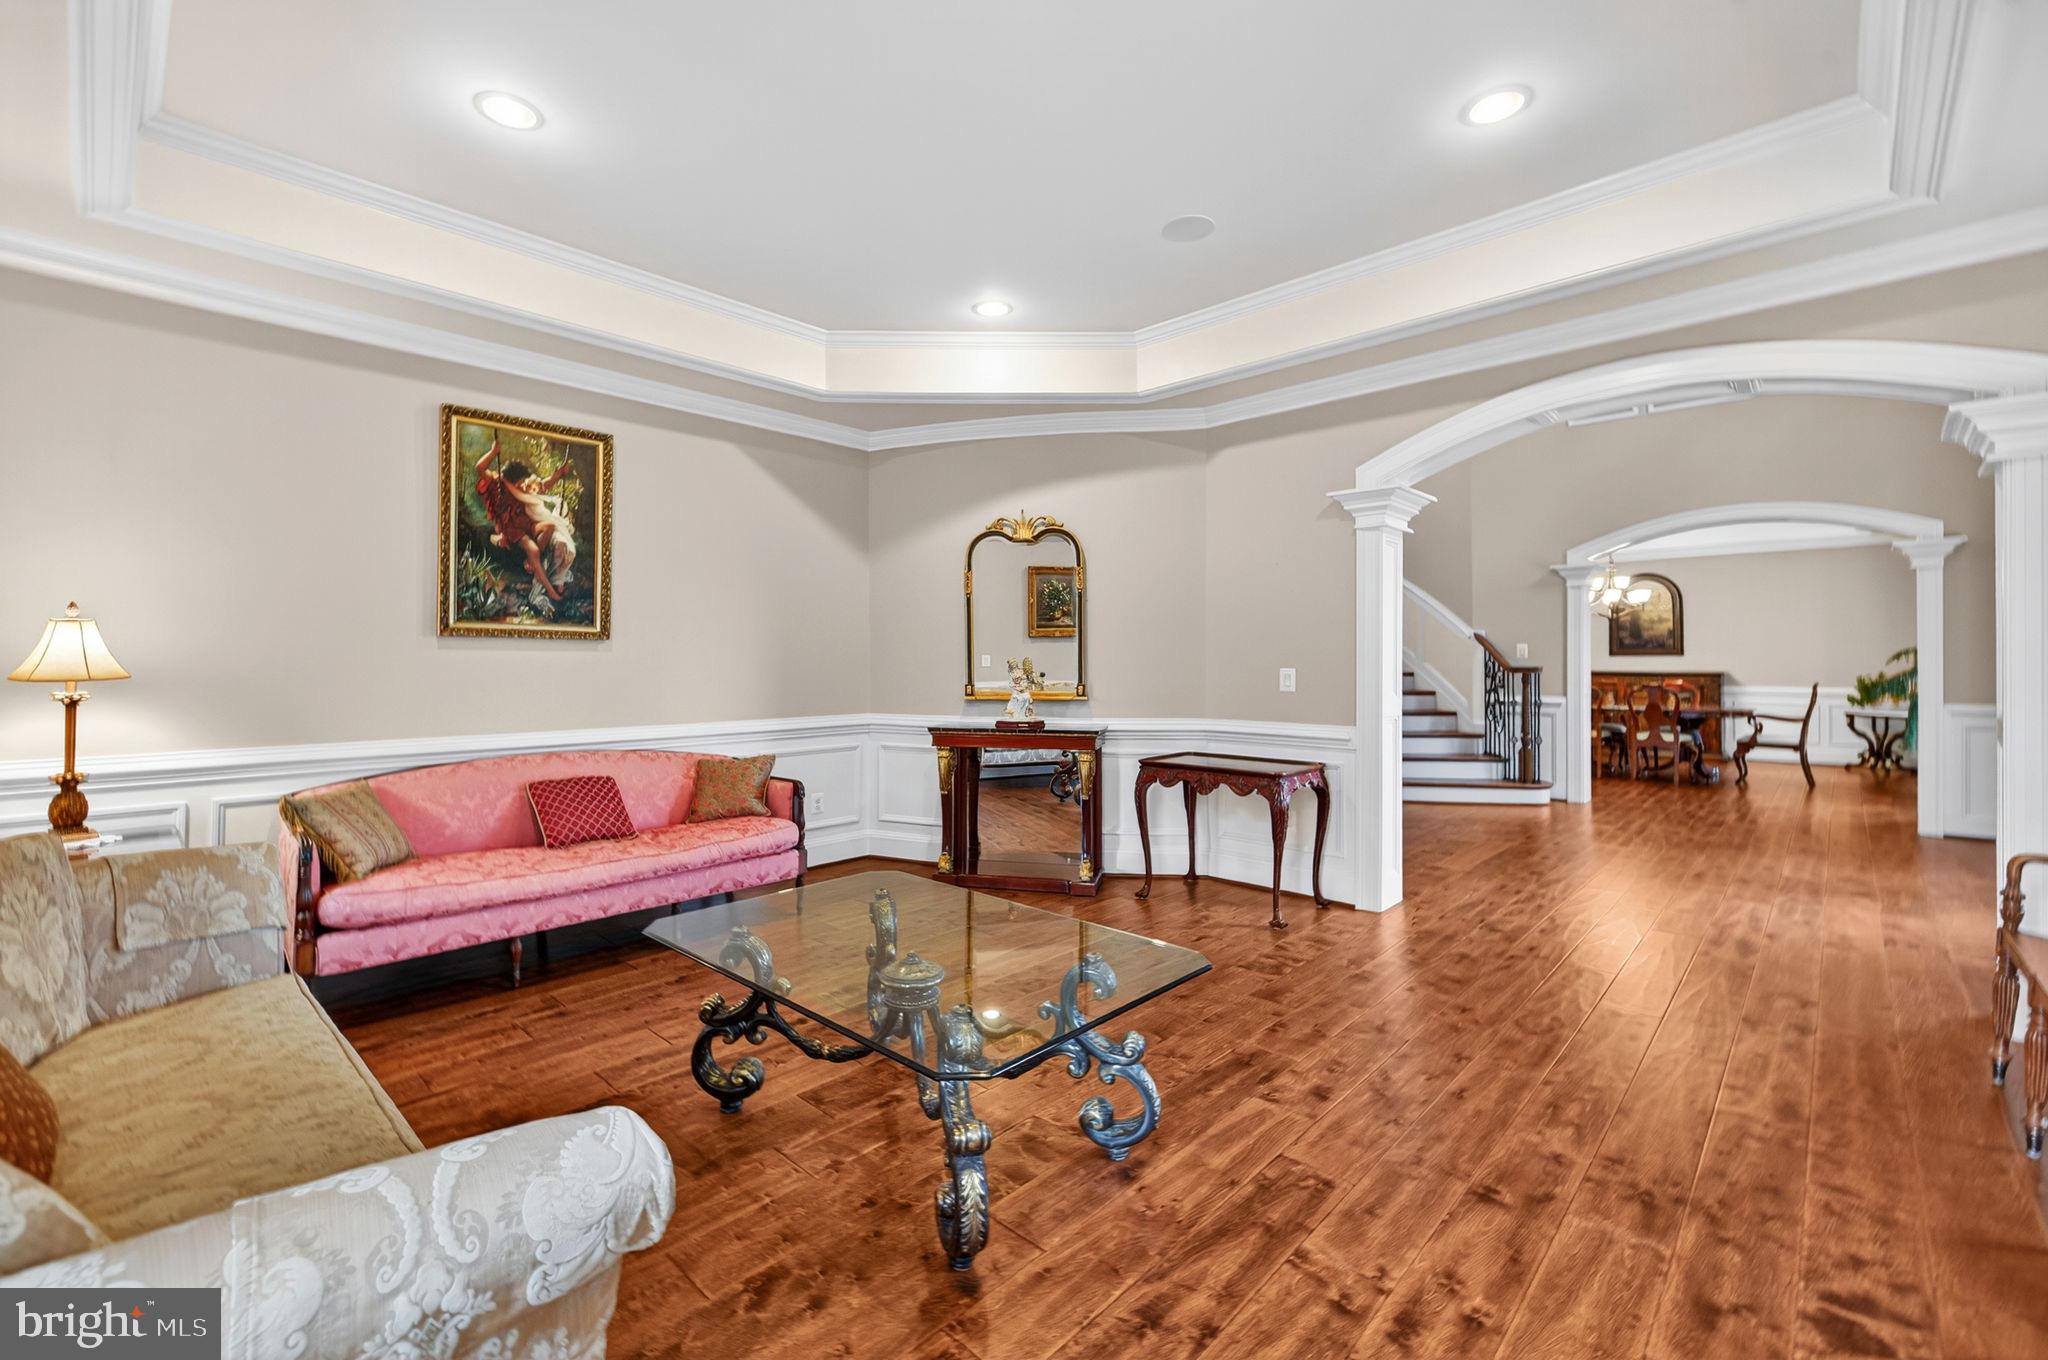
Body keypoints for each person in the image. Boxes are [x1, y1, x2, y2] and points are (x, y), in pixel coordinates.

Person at [473, 437, 573, 602]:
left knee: (549, 526)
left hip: (527, 525)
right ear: (512, 481)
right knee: (532, 549)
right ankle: (551, 592)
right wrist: (493, 452)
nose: (523, 486)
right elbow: (479, 467)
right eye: (520, 484)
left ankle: (531, 561)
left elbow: (543, 485)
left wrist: (559, 474)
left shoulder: (524, 486)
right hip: (513, 530)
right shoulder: (497, 483)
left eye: (524, 483)